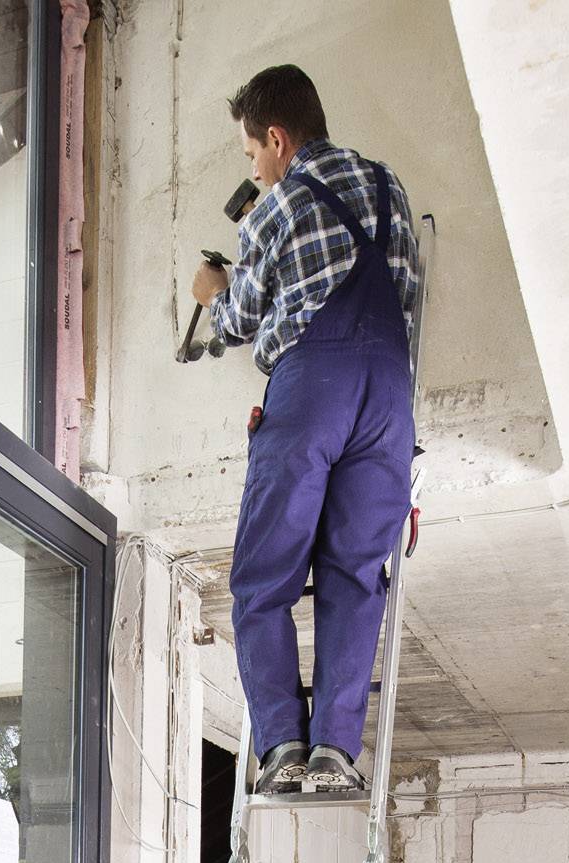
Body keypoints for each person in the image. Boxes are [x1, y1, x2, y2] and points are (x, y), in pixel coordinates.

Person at [191, 64, 419, 795]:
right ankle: (334, 754)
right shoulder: (387, 186)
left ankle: (284, 746)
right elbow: (405, 292)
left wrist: (214, 290)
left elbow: (238, 320)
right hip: (389, 396)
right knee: (355, 573)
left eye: (251, 153)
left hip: (312, 390)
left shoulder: (279, 205)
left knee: (264, 577)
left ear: (277, 139)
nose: (254, 169)